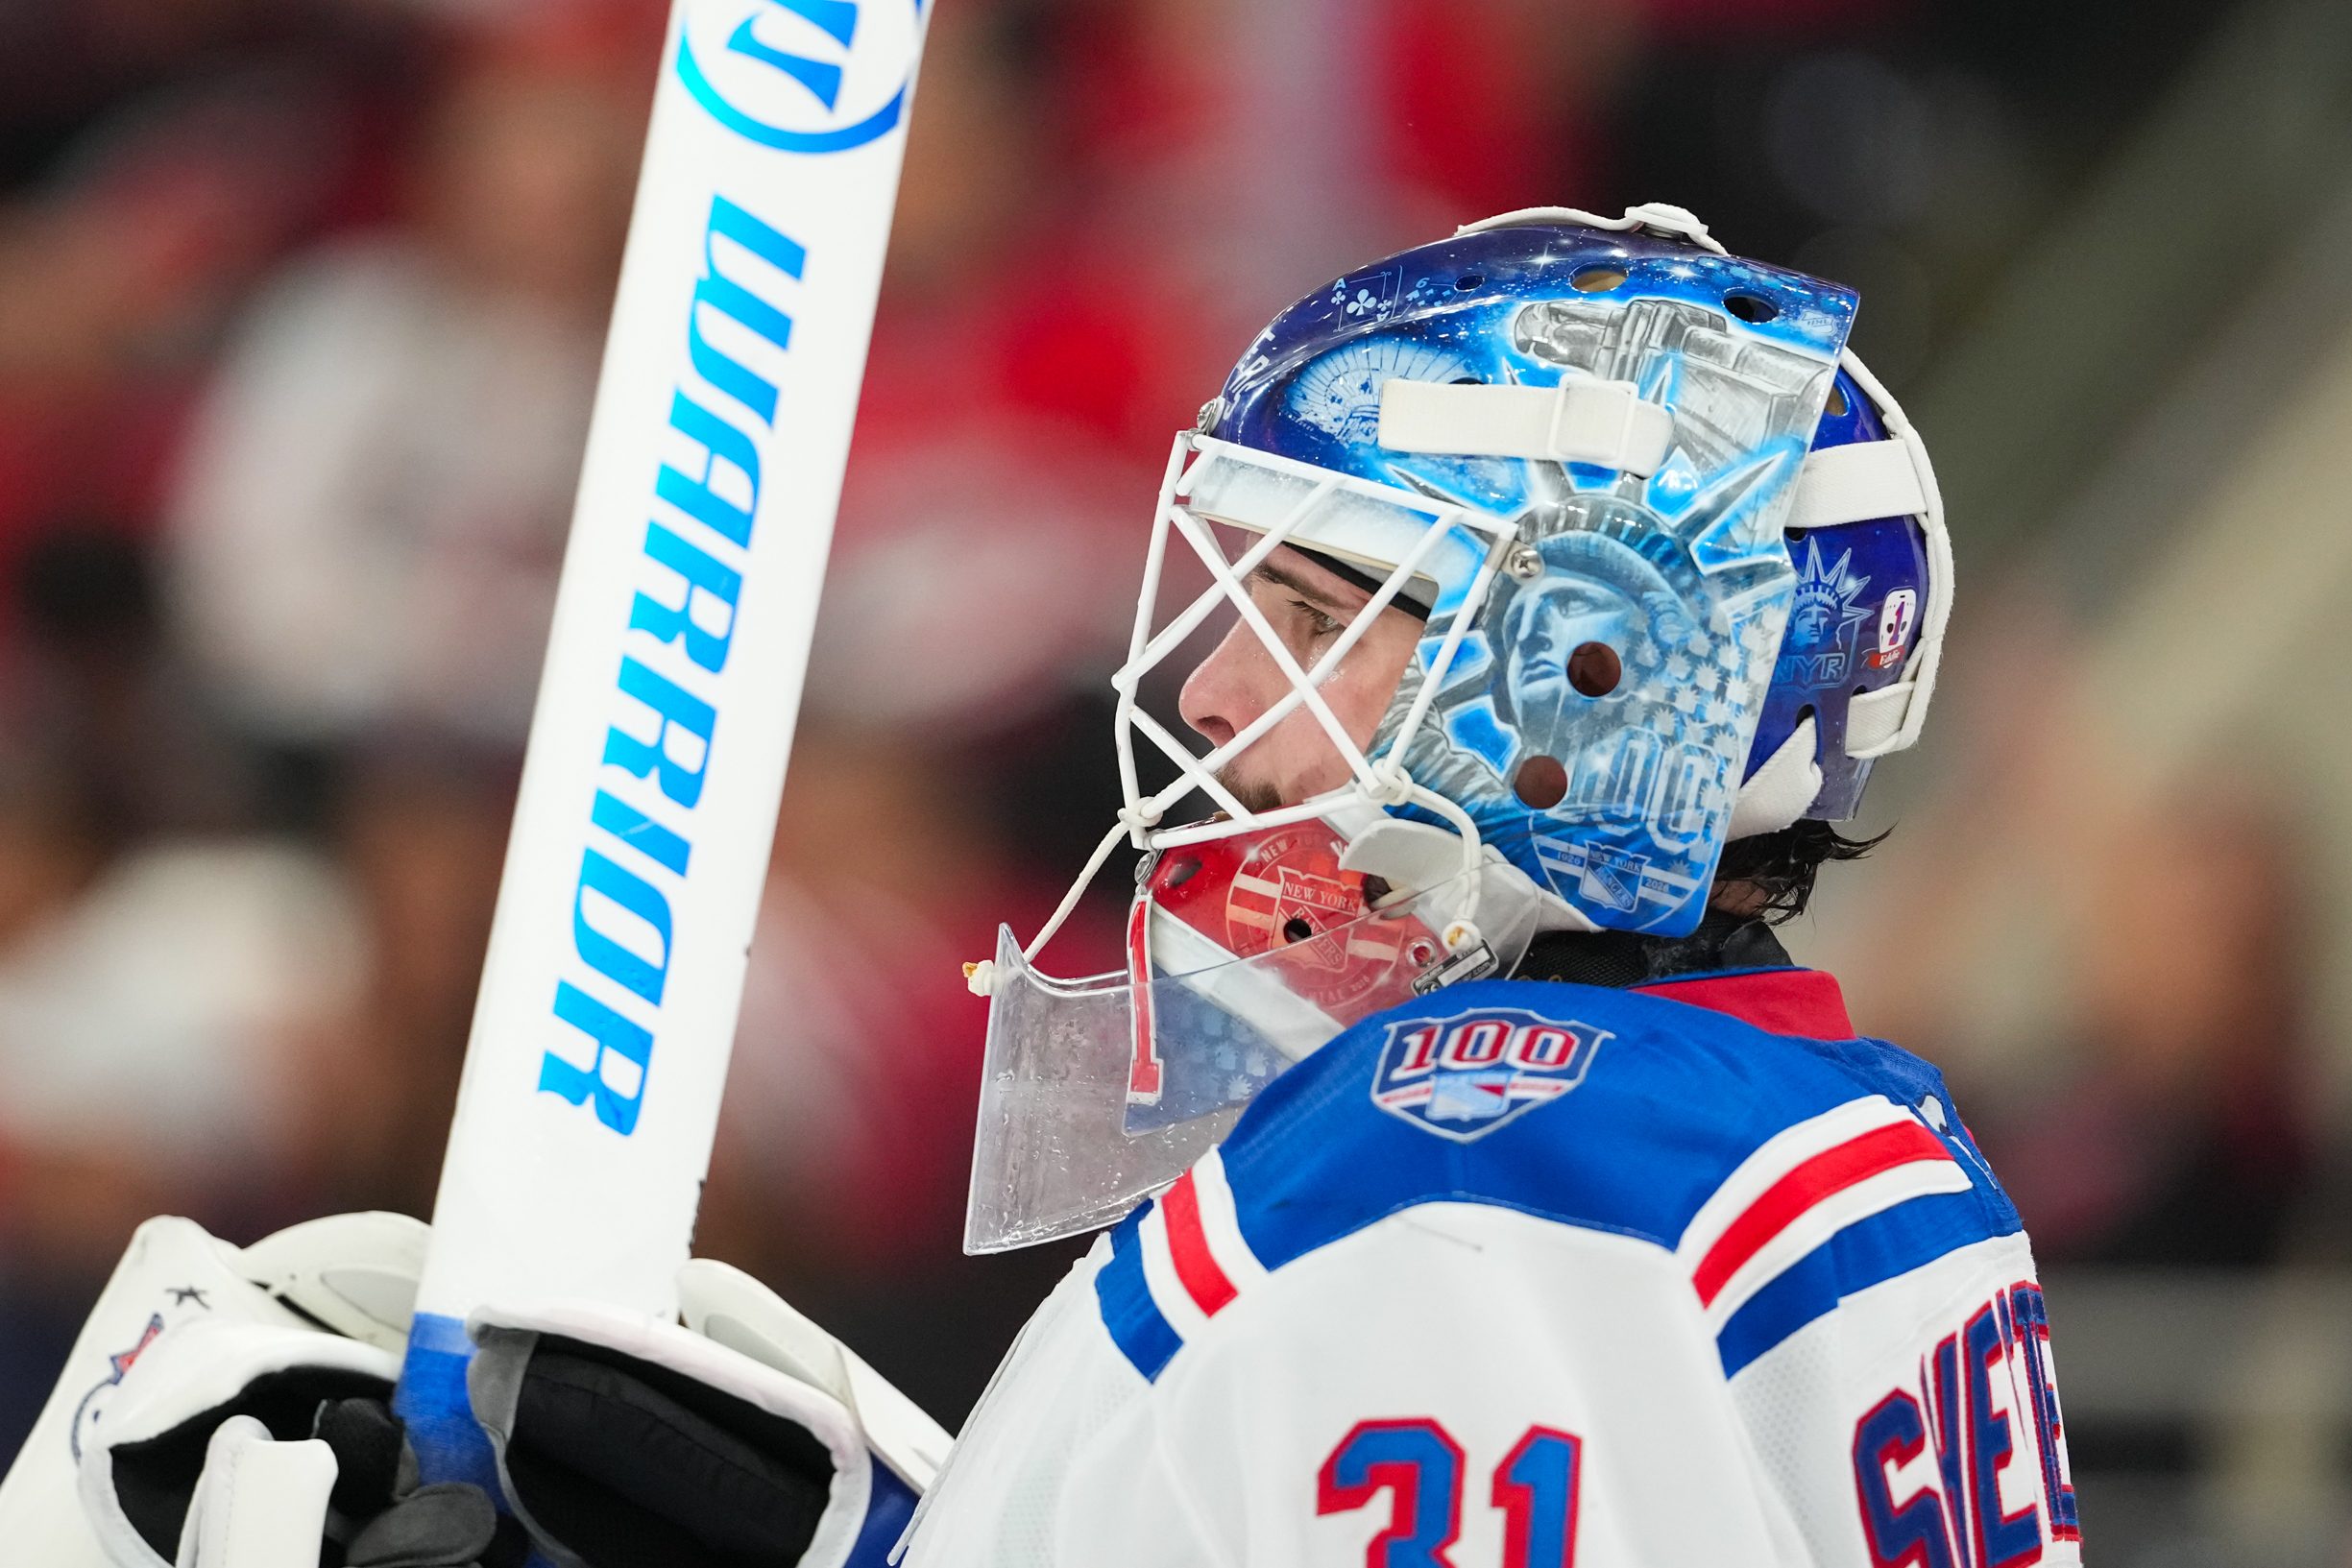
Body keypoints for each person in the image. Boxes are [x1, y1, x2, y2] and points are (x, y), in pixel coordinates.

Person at [2, 205, 2075, 1568]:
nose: (1215, 687)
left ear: (1585, 680)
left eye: (1322, 603)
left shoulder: (1465, 1169)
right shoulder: (1813, 1123)